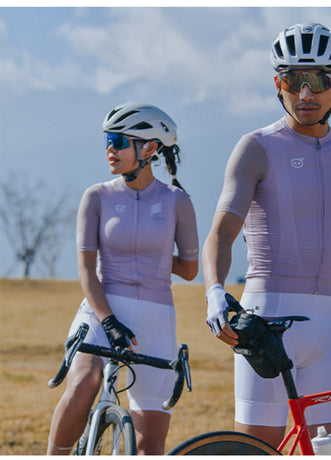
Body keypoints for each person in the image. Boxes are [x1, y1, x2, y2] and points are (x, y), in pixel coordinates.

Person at [202, 23, 331, 454]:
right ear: (277, 85)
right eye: (291, 81)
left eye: (317, 81)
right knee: (256, 448)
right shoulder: (256, 147)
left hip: (326, 325)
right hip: (266, 319)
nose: (304, 94)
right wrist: (215, 292)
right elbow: (222, 232)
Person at [47, 102, 199, 455]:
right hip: (102, 310)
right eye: (107, 141)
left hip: (155, 317)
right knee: (85, 383)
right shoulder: (97, 196)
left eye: (118, 141)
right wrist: (109, 322)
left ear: (149, 148)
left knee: (150, 440)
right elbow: (87, 269)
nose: (109, 150)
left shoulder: (177, 201)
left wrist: (151, 257)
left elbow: (190, 270)